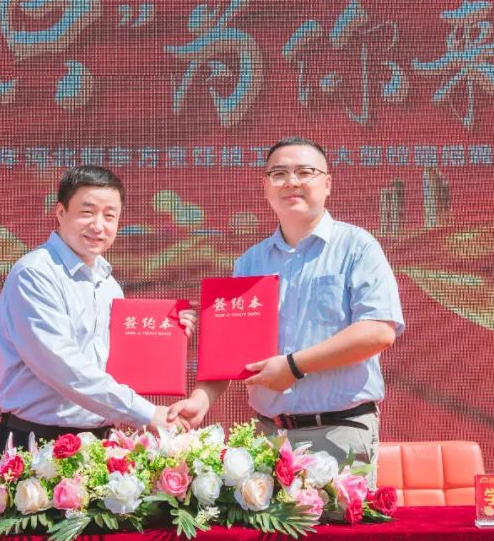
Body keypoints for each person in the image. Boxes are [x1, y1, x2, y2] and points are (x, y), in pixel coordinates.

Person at [169, 137, 404, 483]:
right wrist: (201, 400)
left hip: (339, 432)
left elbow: (378, 331)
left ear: (327, 183)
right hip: (268, 438)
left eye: (305, 172)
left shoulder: (357, 247)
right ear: (265, 187)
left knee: (339, 521)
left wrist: (293, 366)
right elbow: (231, 350)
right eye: (279, 174)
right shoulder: (250, 262)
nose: (291, 182)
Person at [0, 165, 194, 459]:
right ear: (61, 213)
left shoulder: (109, 284)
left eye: (110, 216)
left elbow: (119, 359)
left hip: (99, 442)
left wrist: (168, 335)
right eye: (87, 212)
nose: (98, 226)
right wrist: (147, 413)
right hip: (36, 443)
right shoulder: (35, 273)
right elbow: (62, 366)